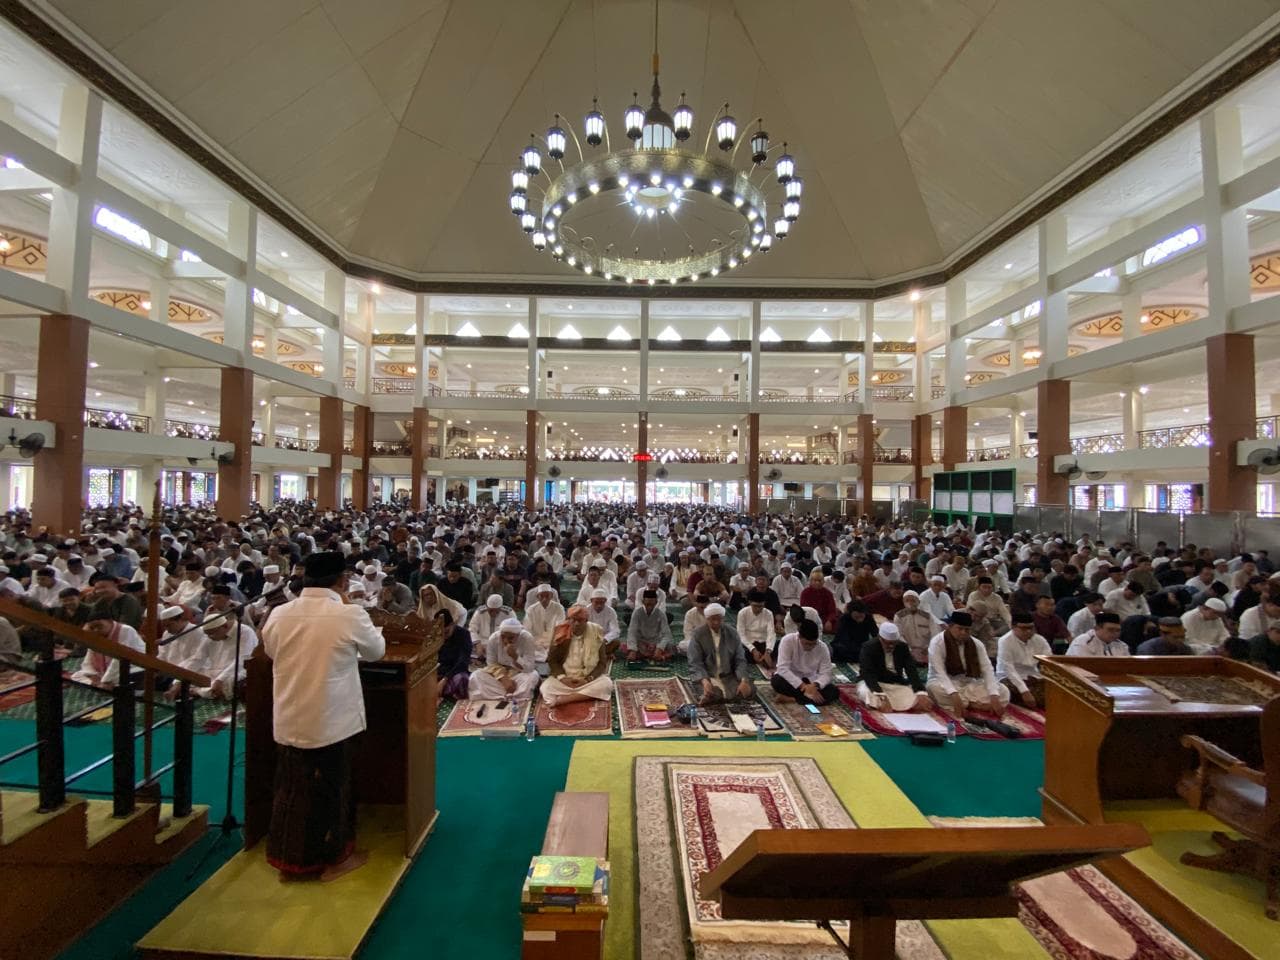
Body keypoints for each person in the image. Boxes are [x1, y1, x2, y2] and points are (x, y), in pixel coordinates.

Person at [261, 551, 386, 881]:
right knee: (332, 790)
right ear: (343, 581)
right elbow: (376, 652)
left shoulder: (279, 614)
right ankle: (335, 860)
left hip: (289, 715)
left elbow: (271, 651)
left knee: (291, 790)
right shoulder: (349, 614)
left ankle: (289, 864)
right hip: (332, 720)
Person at [926, 611, 1009, 719]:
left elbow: (987, 670)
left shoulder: (976, 644)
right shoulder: (937, 643)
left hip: (969, 683)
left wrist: (994, 696)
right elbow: (940, 673)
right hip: (942, 682)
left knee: (1003, 691)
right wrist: (954, 694)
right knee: (934, 689)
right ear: (950, 627)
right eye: (960, 629)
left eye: (967, 630)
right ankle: (974, 704)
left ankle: (965, 703)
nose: (963, 633)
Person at [541, 604, 616, 706]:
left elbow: (602, 663)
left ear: (586, 620)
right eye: (573, 620)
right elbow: (552, 660)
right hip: (566, 677)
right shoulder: (560, 632)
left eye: (580, 620)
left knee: (607, 684)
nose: (576, 623)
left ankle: (566, 699)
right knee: (545, 688)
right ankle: (584, 695)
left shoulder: (596, 631)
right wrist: (563, 678)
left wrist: (587, 680)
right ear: (568, 620)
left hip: (587, 678)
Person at [855, 622, 930, 712]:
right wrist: (881, 695)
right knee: (866, 692)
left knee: (912, 694)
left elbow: (911, 670)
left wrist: (920, 692)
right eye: (888, 643)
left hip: (893, 684)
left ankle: (883, 704)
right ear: (880, 638)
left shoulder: (902, 647)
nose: (891, 646)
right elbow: (867, 673)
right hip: (872, 683)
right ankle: (880, 702)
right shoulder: (869, 647)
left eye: (894, 643)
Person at [687, 603, 752, 704]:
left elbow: (740, 659)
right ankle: (710, 694)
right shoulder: (698, 634)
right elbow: (695, 662)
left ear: (723, 618)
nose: (716, 622)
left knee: (749, 689)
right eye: (712, 619)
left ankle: (714, 697)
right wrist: (704, 681)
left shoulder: (732, 633)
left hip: (729, 676)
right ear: (707, 619)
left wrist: (743, 680)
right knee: (713, 693)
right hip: (707, 676)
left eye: (719, 619)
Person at [770, 619, 837, 705]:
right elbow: (782, 668)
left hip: (811, 680)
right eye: (807, 644)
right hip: (792, 679)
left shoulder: (822, 647)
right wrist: (803, 686)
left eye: (813, 644)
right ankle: (807, 698)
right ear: (799, 637)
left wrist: (815, 685)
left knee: (833, 691)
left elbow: (827, 673)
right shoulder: (787, 641)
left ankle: (792, 699)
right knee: (777, 681)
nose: (810, 647)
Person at [469, 618, 539, 700]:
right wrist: (503, 678)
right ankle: (513, 695)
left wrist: (515, 656)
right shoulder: (494, 638)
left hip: (518, 674)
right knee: (476, 675)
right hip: (498, 676)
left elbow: (529, 667)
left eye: (510, 638)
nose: (505, 640)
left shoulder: (527, 638)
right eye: (503, 636)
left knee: (532, 676)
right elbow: (491, 664)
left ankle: (500, 695)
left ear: (518, 635)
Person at [995, 612, 1052, 708]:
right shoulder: (1005, 641)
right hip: (1008, 678)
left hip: (1033, 676)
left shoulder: (1040, 640)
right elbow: (1009, 669)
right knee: (1006, 691)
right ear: (1013, 627)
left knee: (1057, 692)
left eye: (1031, 628)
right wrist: (1024, 691)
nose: (1029, 631)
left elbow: (1050, 662)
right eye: (1024, 628)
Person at [625, 589, 675, 662]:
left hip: (656, 641)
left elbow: (666, 634)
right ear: (643, 602)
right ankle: (658, 656)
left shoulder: (661, 613)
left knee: (670, 645)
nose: (649, 606)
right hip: (641, 641)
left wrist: (659, 649)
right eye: (647, 603)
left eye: (652, 604)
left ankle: (647, 655)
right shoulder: (637, 613)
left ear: (656, 602)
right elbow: (632, 632)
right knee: (625, 646)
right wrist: (633, 650)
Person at [434, 609, 472, 701]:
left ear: (452, 624)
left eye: (446, 632)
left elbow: (463, 662)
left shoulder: (464, 635)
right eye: (441, 633)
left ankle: (445, 691)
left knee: (462, 679)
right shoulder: (435, 635)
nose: (443, 636)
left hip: (455, 672)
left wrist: (444, 680)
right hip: (439, 672)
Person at [893, 590, 939, 665]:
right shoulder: (899, 616)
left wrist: (929, 647)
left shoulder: (927, 616)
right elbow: (899, 636)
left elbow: (935, 634)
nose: (910, 603)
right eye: (907, 600)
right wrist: (908, 649)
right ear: (903, 602)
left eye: (913, 600)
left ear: (918, 602)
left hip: (925, 650)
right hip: (907, 649)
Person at [523, 582, 566, 661]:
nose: (544, 599)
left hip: (553, 640)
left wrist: (552, 641)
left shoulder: (558, 608)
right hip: (536, 641)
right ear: (537, 597)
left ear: (551, 596)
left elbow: (560, 626)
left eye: (547, 596)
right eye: (542, 596)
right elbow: (527, 628)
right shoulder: (531, 609)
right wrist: (535, 641)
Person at [736, 590, 778, 665]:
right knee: (739, 652)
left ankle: (764, 657)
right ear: (750, 603)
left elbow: (771, 633)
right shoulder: (742, 613)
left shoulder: (768, 613)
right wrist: (753, 650)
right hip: (748, 644)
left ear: (764, 604)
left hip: (764, 643)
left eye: (760, 606)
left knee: (780, 645)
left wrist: (768, 651)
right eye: (755, 606)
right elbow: (741, 634)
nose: (758, 609)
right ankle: (761, 658)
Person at [1065, 611, 1129, 656]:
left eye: (1118, 630)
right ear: (1097, 628)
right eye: (1110, 630)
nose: (1115, 633)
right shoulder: (1083, 642)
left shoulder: (1122, 645)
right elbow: (1083, 665)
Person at [800, 568, 839, 634]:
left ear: (823, 581)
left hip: (825, 618)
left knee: (839, 623)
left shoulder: (828, 593)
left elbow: (832, 610)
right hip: (811, 618)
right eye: (815, 580)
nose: (817, 583)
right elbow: (805, 610)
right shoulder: (805, 593)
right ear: (811, 581)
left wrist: (829, 621)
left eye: (819, 580)